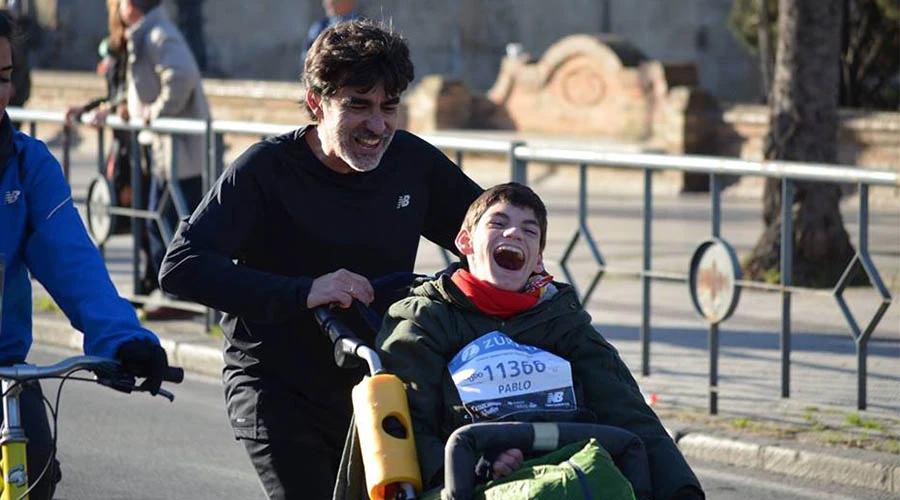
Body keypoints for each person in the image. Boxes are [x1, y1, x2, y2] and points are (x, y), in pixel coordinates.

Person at [159, 20, 483, 500]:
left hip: (380, 381)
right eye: (358, 105)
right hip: (276, 387)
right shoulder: (266, 169)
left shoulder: (412, 162)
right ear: (316, 102)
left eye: (388, 107)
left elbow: (484, 230)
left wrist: (518, 261)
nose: (377, 126)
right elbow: (180, 267)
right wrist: (305, 290)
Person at [376, 183, 706, 500]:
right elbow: (410, 426)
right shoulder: (424, 320)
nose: (514, 233)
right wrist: (475, 464)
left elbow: (627, 410)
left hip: (576, 471)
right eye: (498, 223)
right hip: (470, 480)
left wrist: (681, 490)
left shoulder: (564, 322)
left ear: (537, 259)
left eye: (529, 231)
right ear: (465, 242)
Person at [0, 11, 172, 500]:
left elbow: (74, 262)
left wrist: (123, 339)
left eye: (5, 78)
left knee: (32, 471)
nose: (0, 94)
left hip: (3, 376)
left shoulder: (28, 165)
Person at [114, 0, 210, 319]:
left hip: (179, 152)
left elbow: (179, 77)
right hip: (164, 152)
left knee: (171, 224)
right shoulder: (147, 32)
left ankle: (181, 298)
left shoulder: (158, 34)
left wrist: (154, 113)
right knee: (160, 221)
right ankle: (174, 294)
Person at [300, 0, 358, 73]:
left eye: (334, 1)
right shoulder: (320, 26)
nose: (328, 3)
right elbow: (307, 57)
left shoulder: (361, 26)